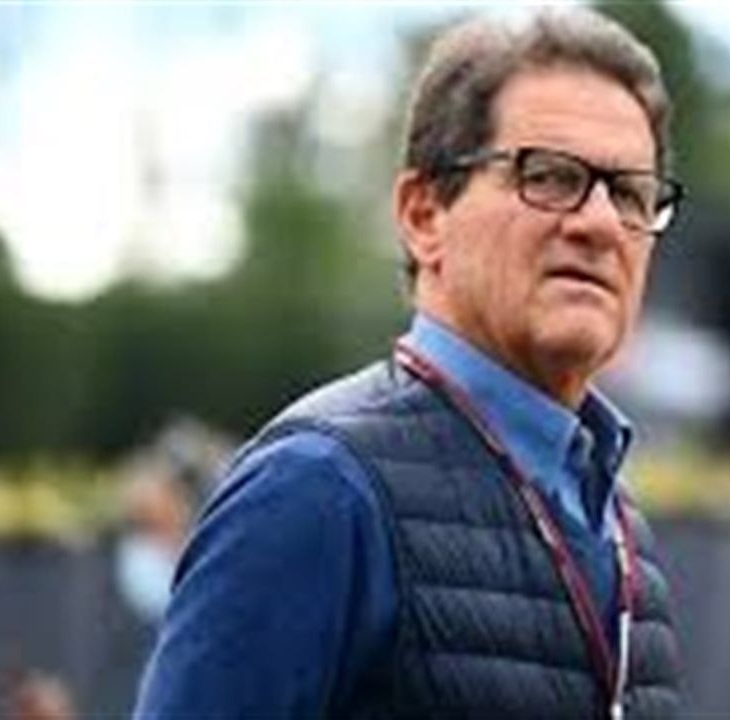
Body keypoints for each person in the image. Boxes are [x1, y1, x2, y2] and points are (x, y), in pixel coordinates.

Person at [133, 8, 685, 719]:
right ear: (424, 215)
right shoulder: (317, 491)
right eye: (550, 176)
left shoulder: (621, 523)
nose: (602, 222)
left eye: (632, 193)